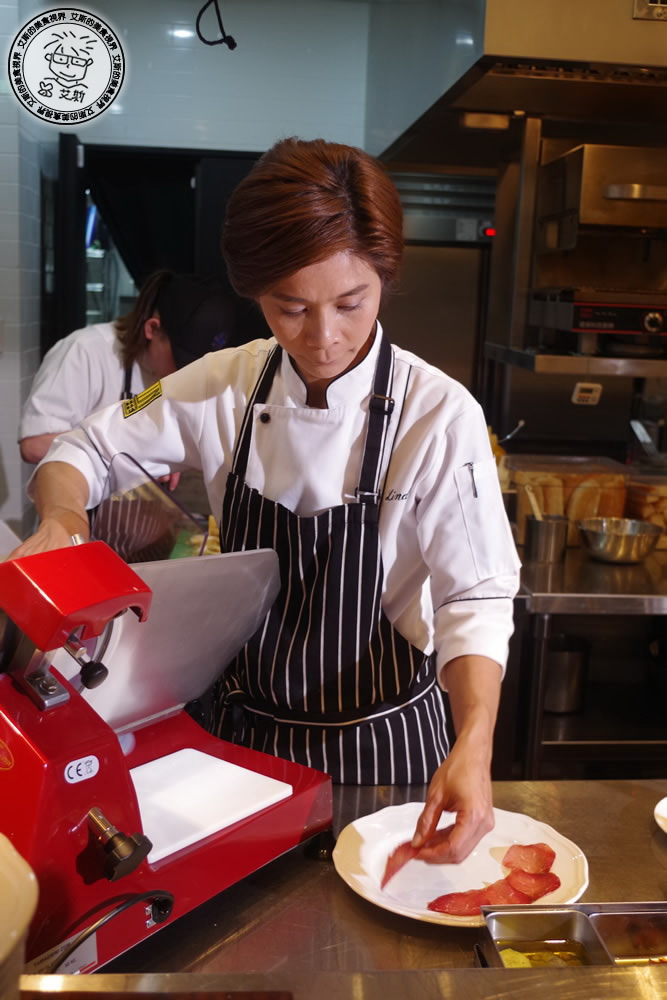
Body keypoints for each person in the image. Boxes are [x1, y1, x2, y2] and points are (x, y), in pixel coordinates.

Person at [11, 137, 520, 865]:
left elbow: (474, 598)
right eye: (289, 308)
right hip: (235, 746)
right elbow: (80, 449)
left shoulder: (438, 413)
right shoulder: (222, 381)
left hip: (381, 751)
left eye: (350, 303)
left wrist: (473, 741)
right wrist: (65, 517)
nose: (322, 337)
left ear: (384, 276)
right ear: (254, 293)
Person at [18, 270, 236, 464]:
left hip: (131, 506)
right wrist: (127, 452)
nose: (184, 374)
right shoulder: (84, 351)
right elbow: (33, 446)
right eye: (181, 361)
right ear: (152, 329)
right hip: (81, 503)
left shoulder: (167, 371)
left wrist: (159, 463)